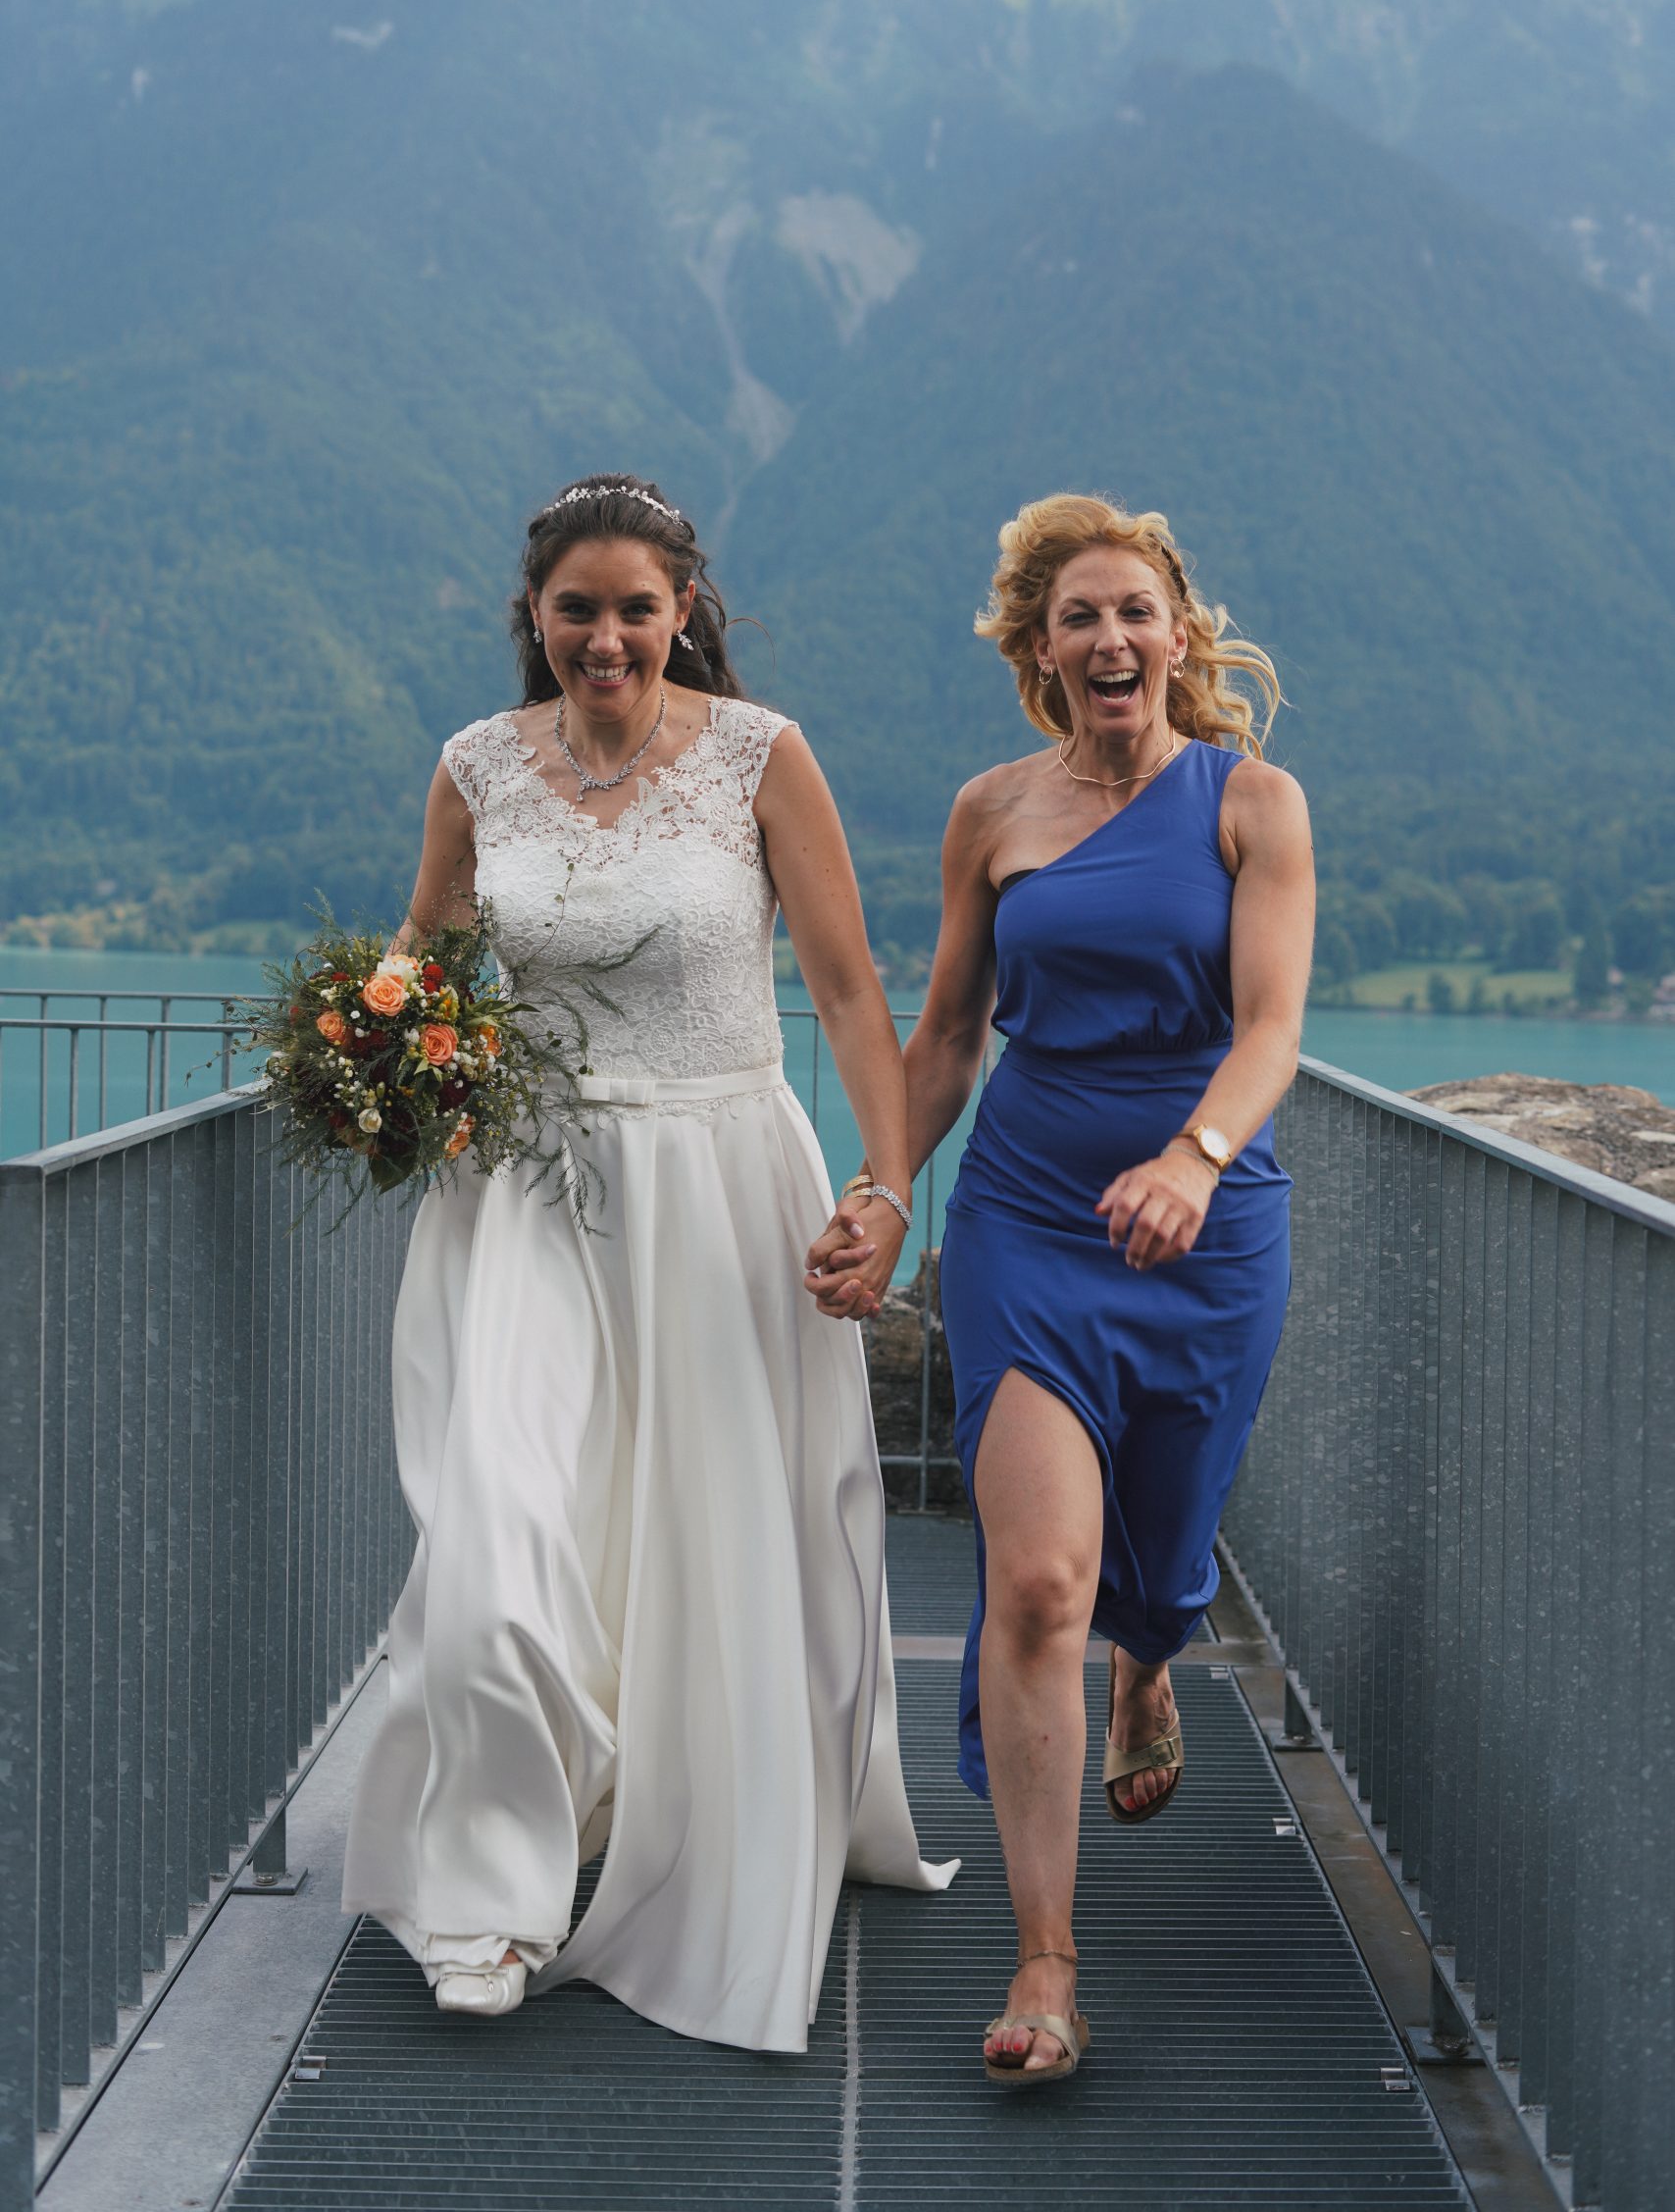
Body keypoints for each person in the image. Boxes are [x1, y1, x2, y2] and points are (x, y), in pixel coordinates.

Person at [342, 472, 953, 2052]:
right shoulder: (478, 767)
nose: (605, 637)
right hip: (523, 1196)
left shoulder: (760, 755)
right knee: (495, 1537)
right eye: (577, 609)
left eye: (634, 608)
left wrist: (888, 1190)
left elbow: (848, 990)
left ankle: (676, 1806)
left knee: (706, 1533)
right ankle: (490, 1895)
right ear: (535, 617)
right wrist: (367, 1057)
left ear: (683, 613)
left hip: (721, 1181)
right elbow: (425, 955)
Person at [807, 493, 1312, 2086]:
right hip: (1027, 1217)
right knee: (1035, 1583)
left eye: (1134, 612)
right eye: (1077, 616)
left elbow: (1272, 1026)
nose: (1109, 639)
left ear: (1179, 636)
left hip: (1204, 1225)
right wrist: (889, 1189)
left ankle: (1149, 1663)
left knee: (1160, 1552)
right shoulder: (992, 813)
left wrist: (1196, 1158)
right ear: (1038, 649)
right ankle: (1046, 1960)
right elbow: (951, 1033)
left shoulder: (1253, 803)